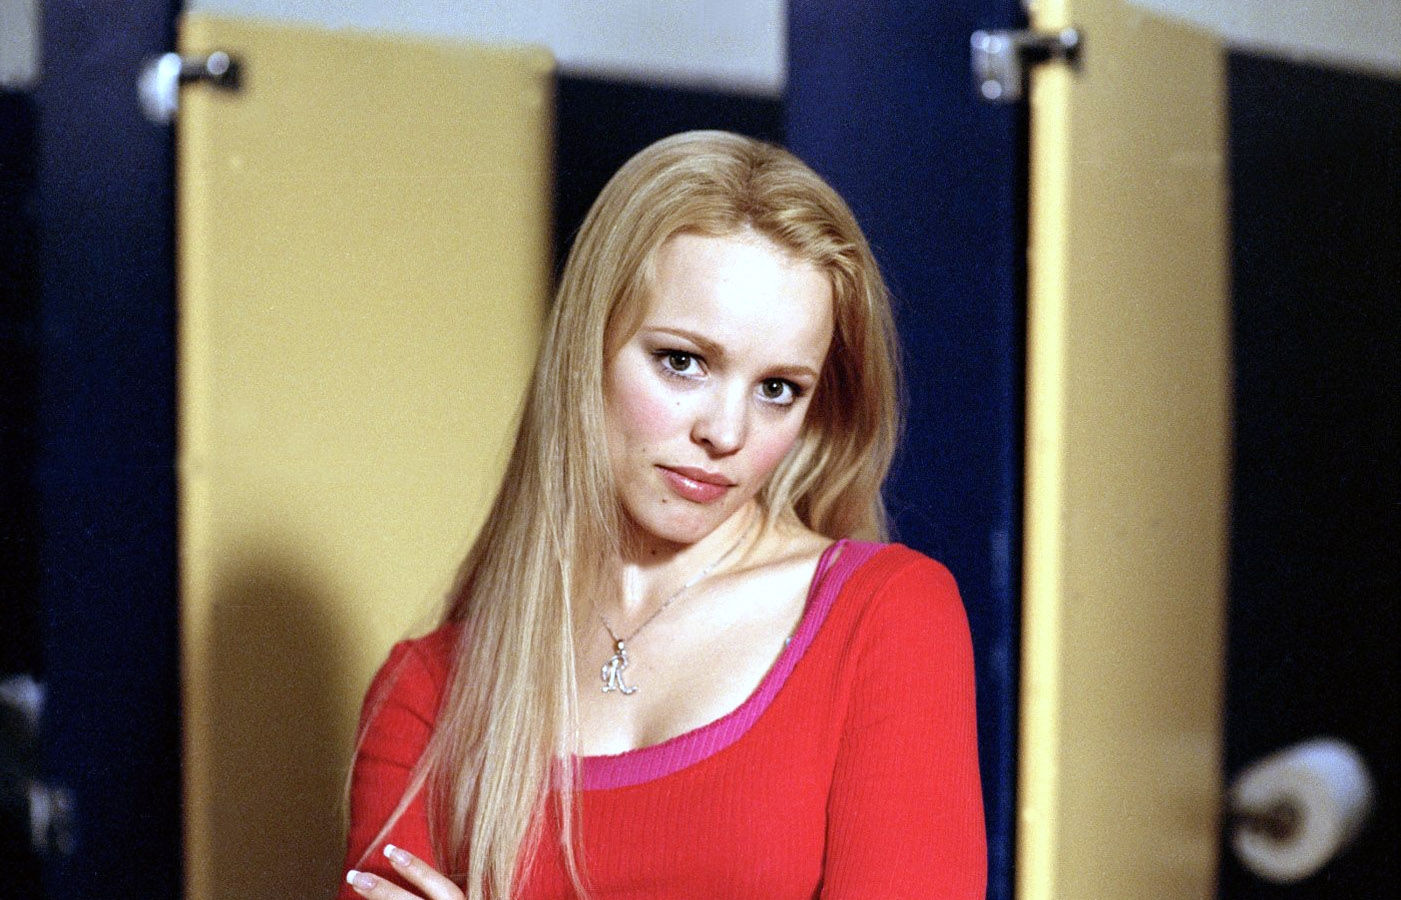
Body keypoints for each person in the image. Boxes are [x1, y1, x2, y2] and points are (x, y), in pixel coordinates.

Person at [336, 130, 985, 900]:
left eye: (778, 387)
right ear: (588, 349)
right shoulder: (426, 694)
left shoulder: (884, 615)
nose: (725, 432)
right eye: (683, 361)